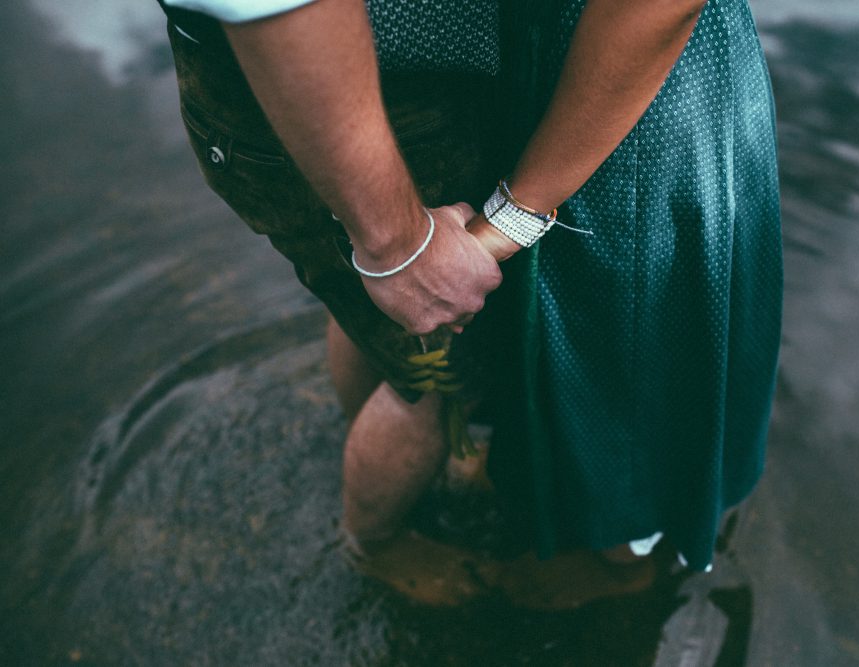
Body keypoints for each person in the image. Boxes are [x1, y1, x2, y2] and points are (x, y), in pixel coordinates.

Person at [155, 0, 782, 600]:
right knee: (438, 371)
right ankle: (375, 541)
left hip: (339, 84)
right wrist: (402, 246)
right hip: (330, 90)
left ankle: (382, 459)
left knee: (374, 315)